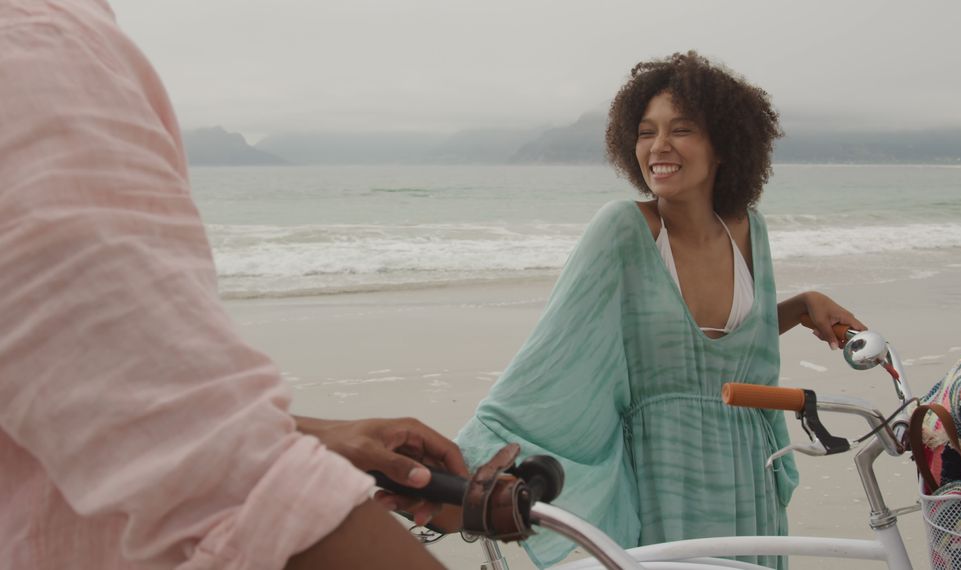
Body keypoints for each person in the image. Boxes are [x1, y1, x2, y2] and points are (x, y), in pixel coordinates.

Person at [0, 1, 465, 568]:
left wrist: (308, 434)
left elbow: (94, 393)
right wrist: (270, 453)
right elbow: (231, 490)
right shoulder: (36, 50)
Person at [454, 52, 865, 569]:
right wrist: (465, 464)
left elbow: (725, 349)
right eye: (646, 132)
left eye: (682, 129)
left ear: (724, 145)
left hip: (747, 467)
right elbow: (553, 357)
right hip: (661, 472)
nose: (659, 147)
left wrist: (801, 305)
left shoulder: (749, 229)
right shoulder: (624, 230)